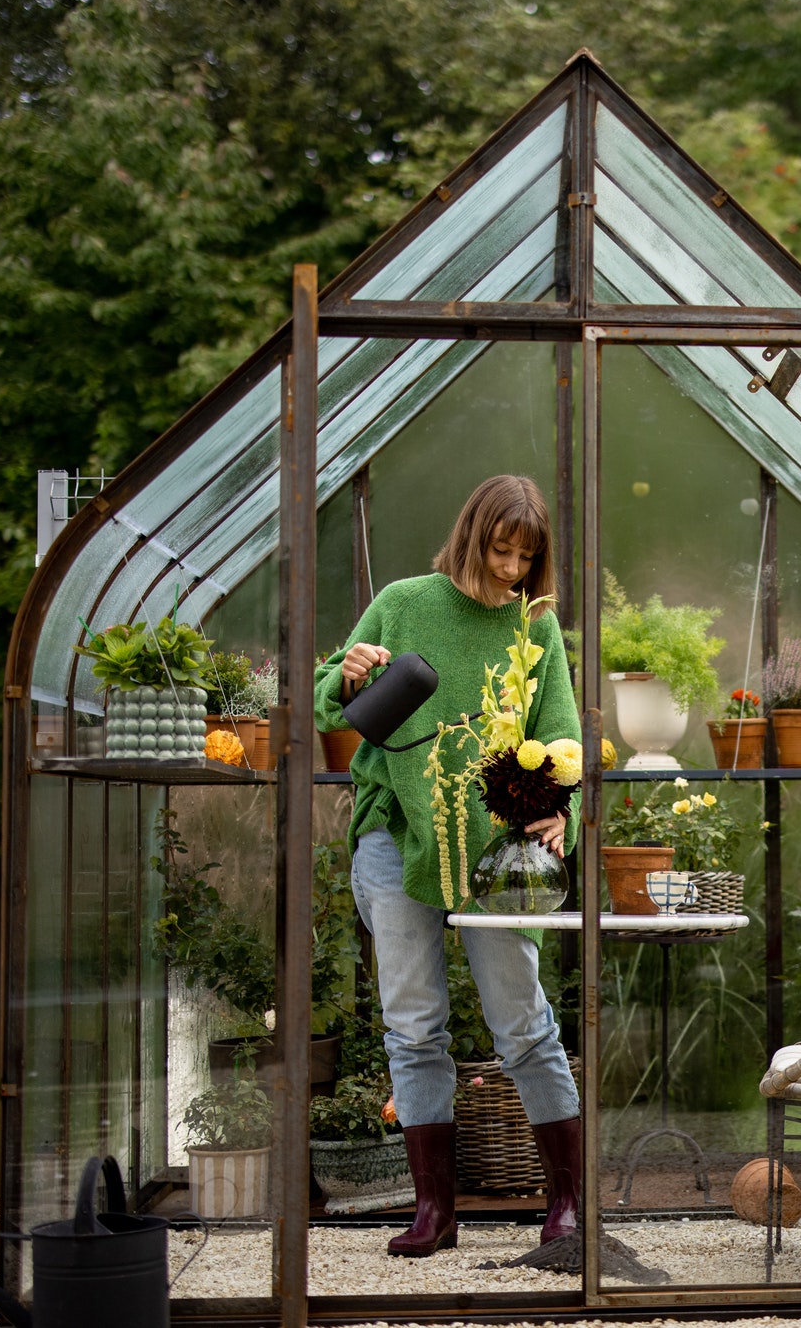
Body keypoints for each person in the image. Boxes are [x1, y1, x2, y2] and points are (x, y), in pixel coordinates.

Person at [313, 474, 582, 1258]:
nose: (511, 570)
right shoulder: (403, 603)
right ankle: (435, 1212)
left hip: (494, 851)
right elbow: (332, 701)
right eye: (502, 550)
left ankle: (564, 1206)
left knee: (523, 1024)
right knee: (413, 1026)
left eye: (527, 557)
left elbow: (560, 730)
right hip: (397, 838)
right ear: (473, 537)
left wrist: (559, 805)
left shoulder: (535, 628)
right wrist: (353, 669)